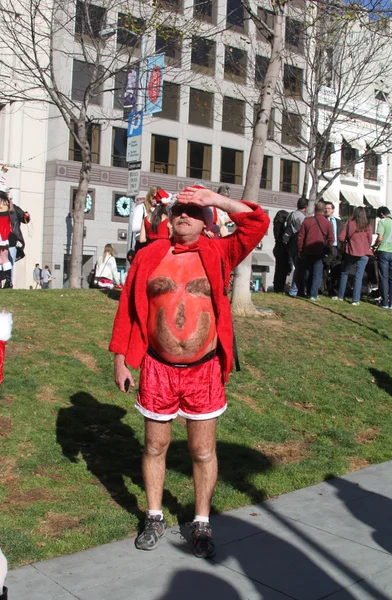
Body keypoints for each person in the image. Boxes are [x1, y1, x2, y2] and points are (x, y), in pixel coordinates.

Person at [110, 186, 269, 559]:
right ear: (168, 216)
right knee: (154, 445)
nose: (184, 214)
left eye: (194, 211)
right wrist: (120, 357)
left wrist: (214, 199)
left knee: (202, 450)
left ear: (207, 220)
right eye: (179, 209)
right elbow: (128, 310)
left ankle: (200, 521)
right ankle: (153, 516)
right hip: (158, 369)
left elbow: (257, 223)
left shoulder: (220, 253)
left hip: (203, 371)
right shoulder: (149, 256)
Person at [293, 200, 334, 301]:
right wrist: (328, 249)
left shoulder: (307, 221)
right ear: (324, 210)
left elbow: (301, 237)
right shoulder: (327, 223)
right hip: (319, 251)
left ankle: (303, 291)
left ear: (315, 209)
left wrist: (300, 249)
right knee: (317, 273)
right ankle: (313, 294)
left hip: (307, 250)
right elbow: (331, 239)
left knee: (306, 272)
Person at [332, 207, 373, 305]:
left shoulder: (349, 224)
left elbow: (341, 237)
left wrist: (349, 242)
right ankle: (355, 300)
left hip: (351, 252)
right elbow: (370, 240)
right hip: (364, 253)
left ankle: (341, 296)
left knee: (344, 273)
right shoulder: (368, 226)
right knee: (359, 277)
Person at [0, 189, 30, 288]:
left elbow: (24, 219)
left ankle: (8, 282)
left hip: (10, 238)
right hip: (7, 237)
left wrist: (26, 217)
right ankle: (6, 282)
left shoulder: (14, 209)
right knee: (4, 260)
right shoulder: (10, 207)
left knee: (7, 260)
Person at [373, 206, 392, 310]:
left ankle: (384, 302)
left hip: (384, 251)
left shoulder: (383, 222)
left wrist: (375, 246)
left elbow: (379, 238)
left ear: (381, 214)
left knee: (383, 277)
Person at [286, 197, 308, 297]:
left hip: (291, 243)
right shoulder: (301, 218)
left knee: (295, 266)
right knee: (299, 267)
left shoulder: (291, 214)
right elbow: (301, 231)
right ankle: (296, 290)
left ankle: (296, 289)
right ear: (305, 207)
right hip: (297, 242)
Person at [322, 201, 344, 296]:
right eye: (325, 208)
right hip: (326, 248)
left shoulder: (339, 222)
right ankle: (323, 288)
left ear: (333, 210)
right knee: (325, 269)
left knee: (335, 270)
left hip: (337, 248)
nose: (327, 210)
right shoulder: (322, 221)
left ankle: (333, 290)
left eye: (329, 208)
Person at [130, 186, 158, 251]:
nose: (155, 200)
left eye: (157, 198)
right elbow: (134, 227)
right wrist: (149, 224)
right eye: (153, 197)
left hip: (155, 243)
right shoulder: (141, 208)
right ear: (149, 196)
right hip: (142, 243)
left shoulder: (159, 210)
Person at [272, 209, 290, 293]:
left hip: (277, 247)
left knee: (278, 268)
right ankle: (279, 287)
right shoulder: (281, 226)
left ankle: (277, 287)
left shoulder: (276, 225)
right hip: (282, 247)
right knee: (282, 269)